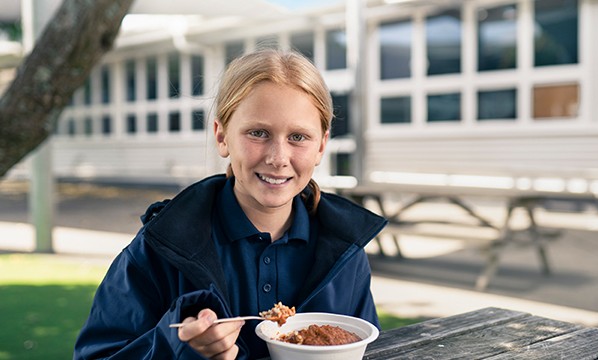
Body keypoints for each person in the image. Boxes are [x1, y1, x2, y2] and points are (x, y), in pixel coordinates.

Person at [74, 48, 387, 360]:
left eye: (298, 137)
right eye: (258, 133)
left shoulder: (346, 254)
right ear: (222, 136)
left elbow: (370, 350)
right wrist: (181, 349)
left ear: (321, 145)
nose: (278, 158)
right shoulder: (161, 247)